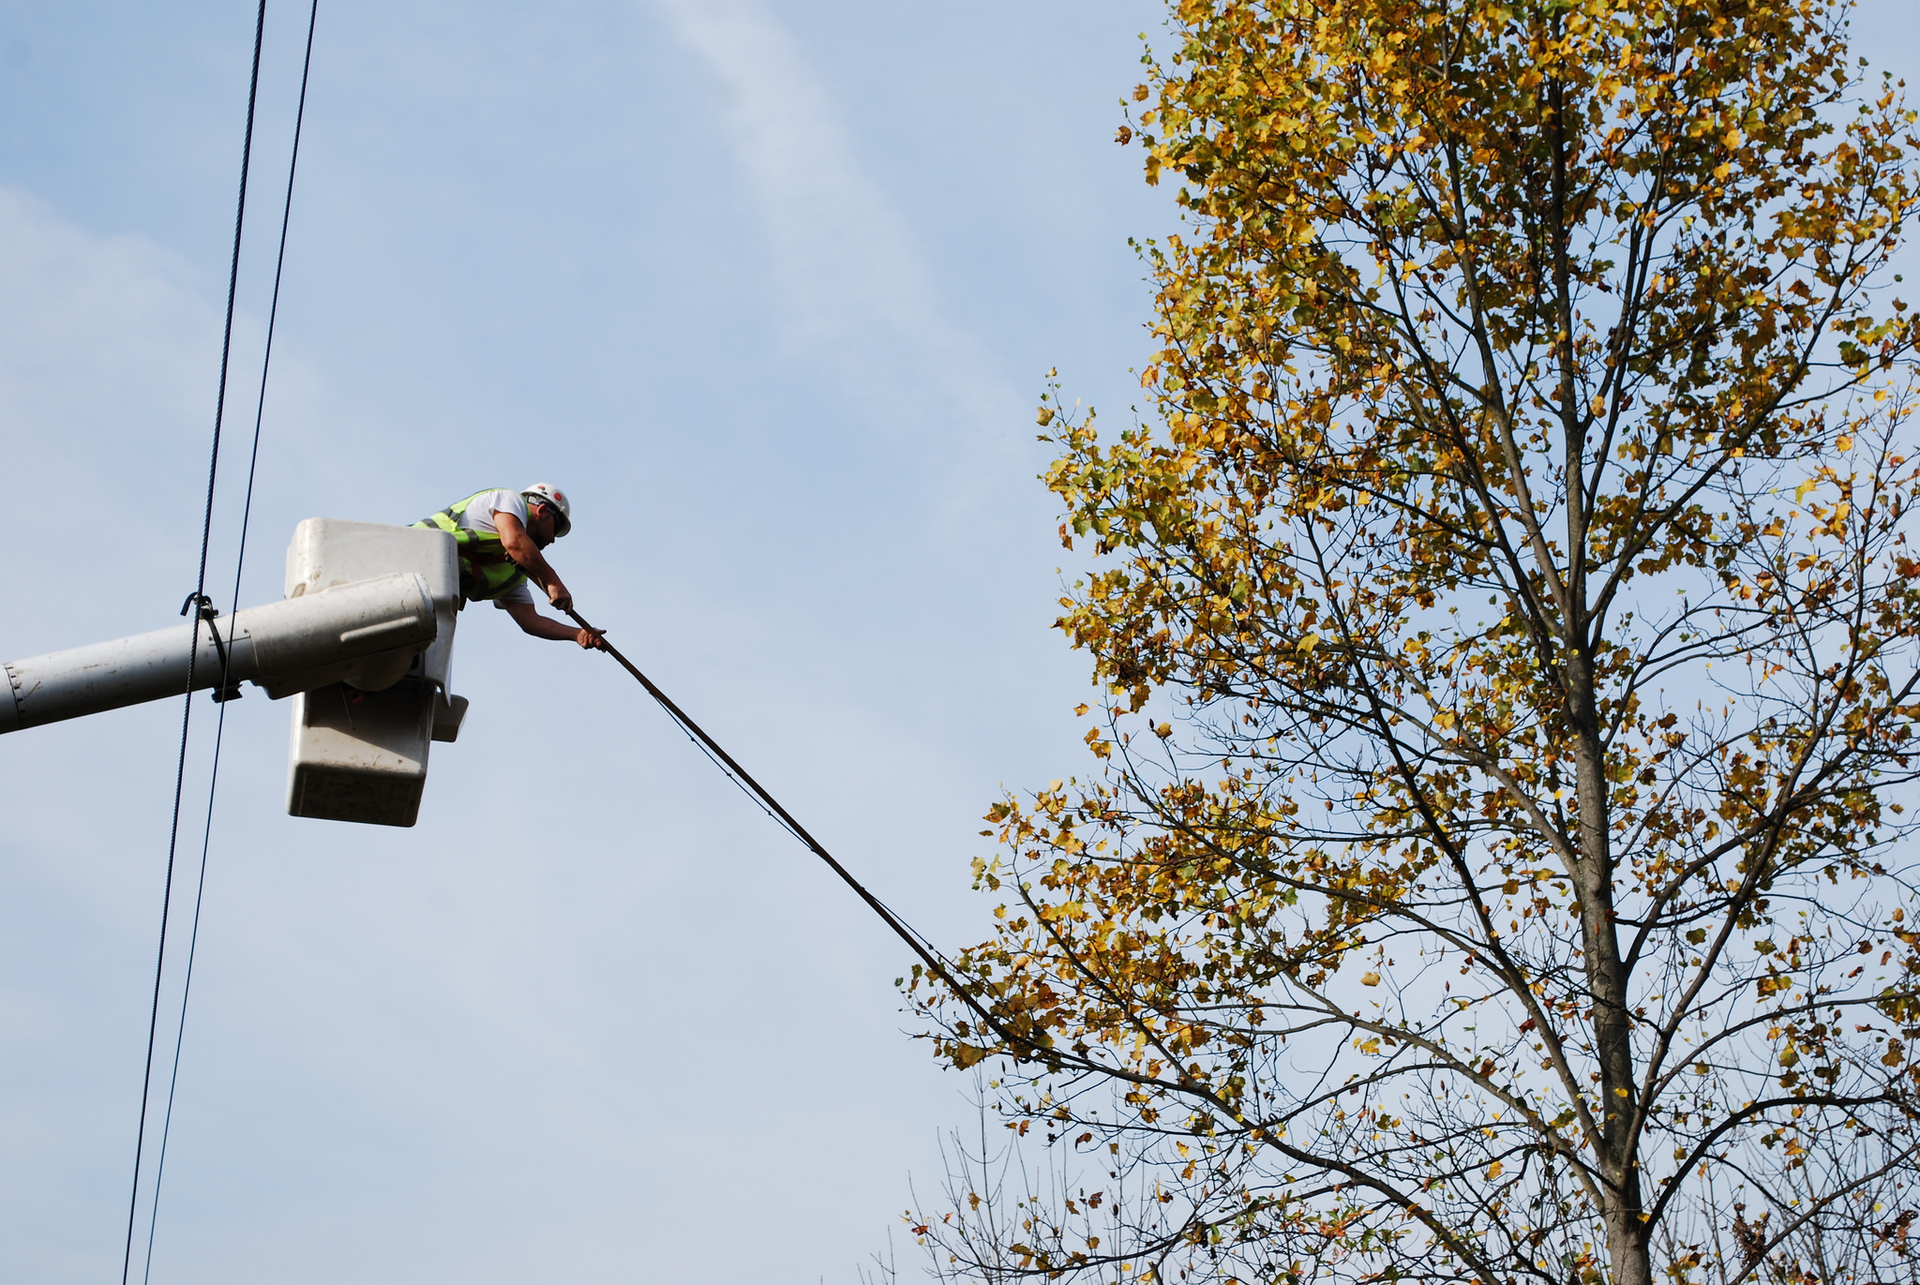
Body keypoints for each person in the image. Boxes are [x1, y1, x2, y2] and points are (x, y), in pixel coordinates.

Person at [414, 485, 605, 649]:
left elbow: (530, 621)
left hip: (423, 597)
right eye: (555, 529)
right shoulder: (509, 500)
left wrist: (576, 634)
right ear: (543, 511)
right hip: (408, 555)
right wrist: (553, 582)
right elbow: (514, 541)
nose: (553, 539)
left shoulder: (514, 575)